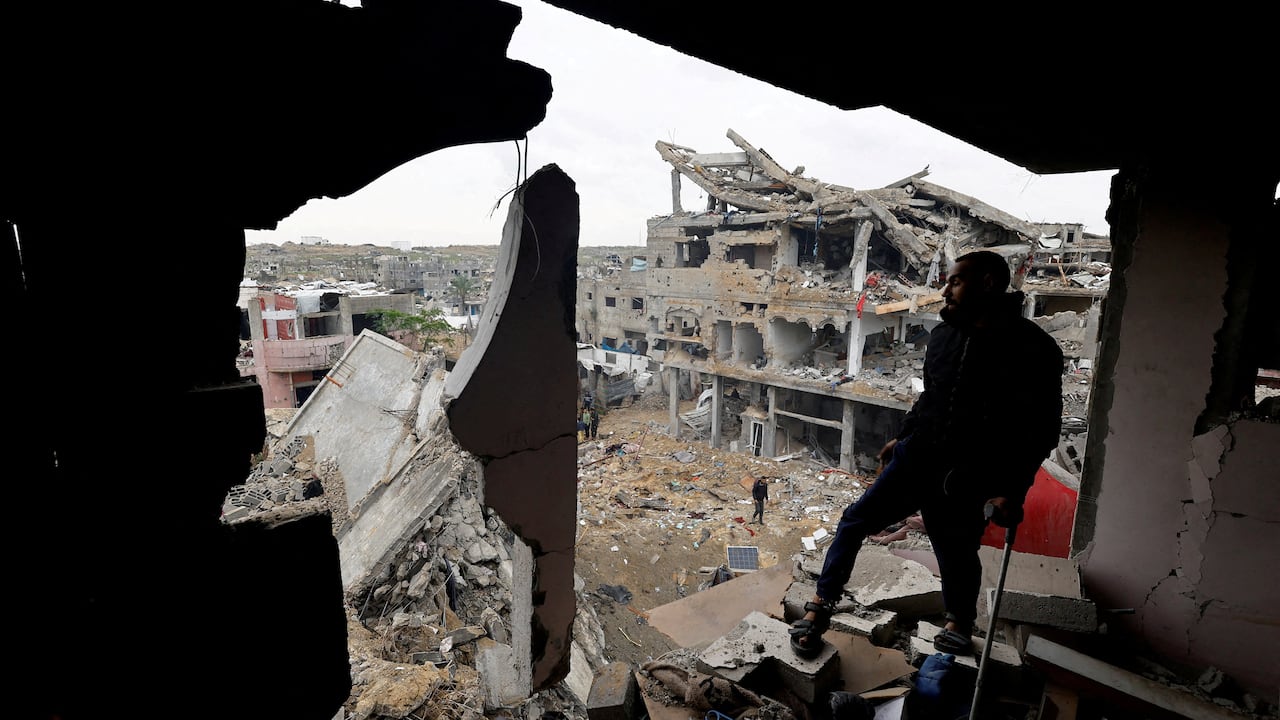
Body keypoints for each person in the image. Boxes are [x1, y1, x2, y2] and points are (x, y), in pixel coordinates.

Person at [788, 250, 1063, 659]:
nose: (945, 289)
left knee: (955, 547)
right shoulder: (944, 336)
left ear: (987, 283)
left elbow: (1039, 430)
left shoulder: (1033, 349)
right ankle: (822, 605)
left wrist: (1012, 490)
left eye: (955, 281)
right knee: (854, 521)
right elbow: (930, 397)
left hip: (969, 473)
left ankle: (959, 621)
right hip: (917, 458)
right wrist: (904, 436)